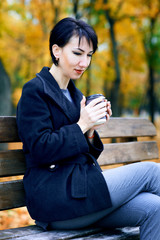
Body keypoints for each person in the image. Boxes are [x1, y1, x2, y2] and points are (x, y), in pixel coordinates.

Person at [16, 17, 160, 240]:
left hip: (81, 193)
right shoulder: (35, 91)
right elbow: (40, 148)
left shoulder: (76, 96)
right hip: (56, 199)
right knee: (151, 172)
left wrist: (91, 129)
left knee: (155, 207)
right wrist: (82, 124)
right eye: (77, 53)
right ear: (57, 50)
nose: (84, 62)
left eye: (89, 55)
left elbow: (84, 153)